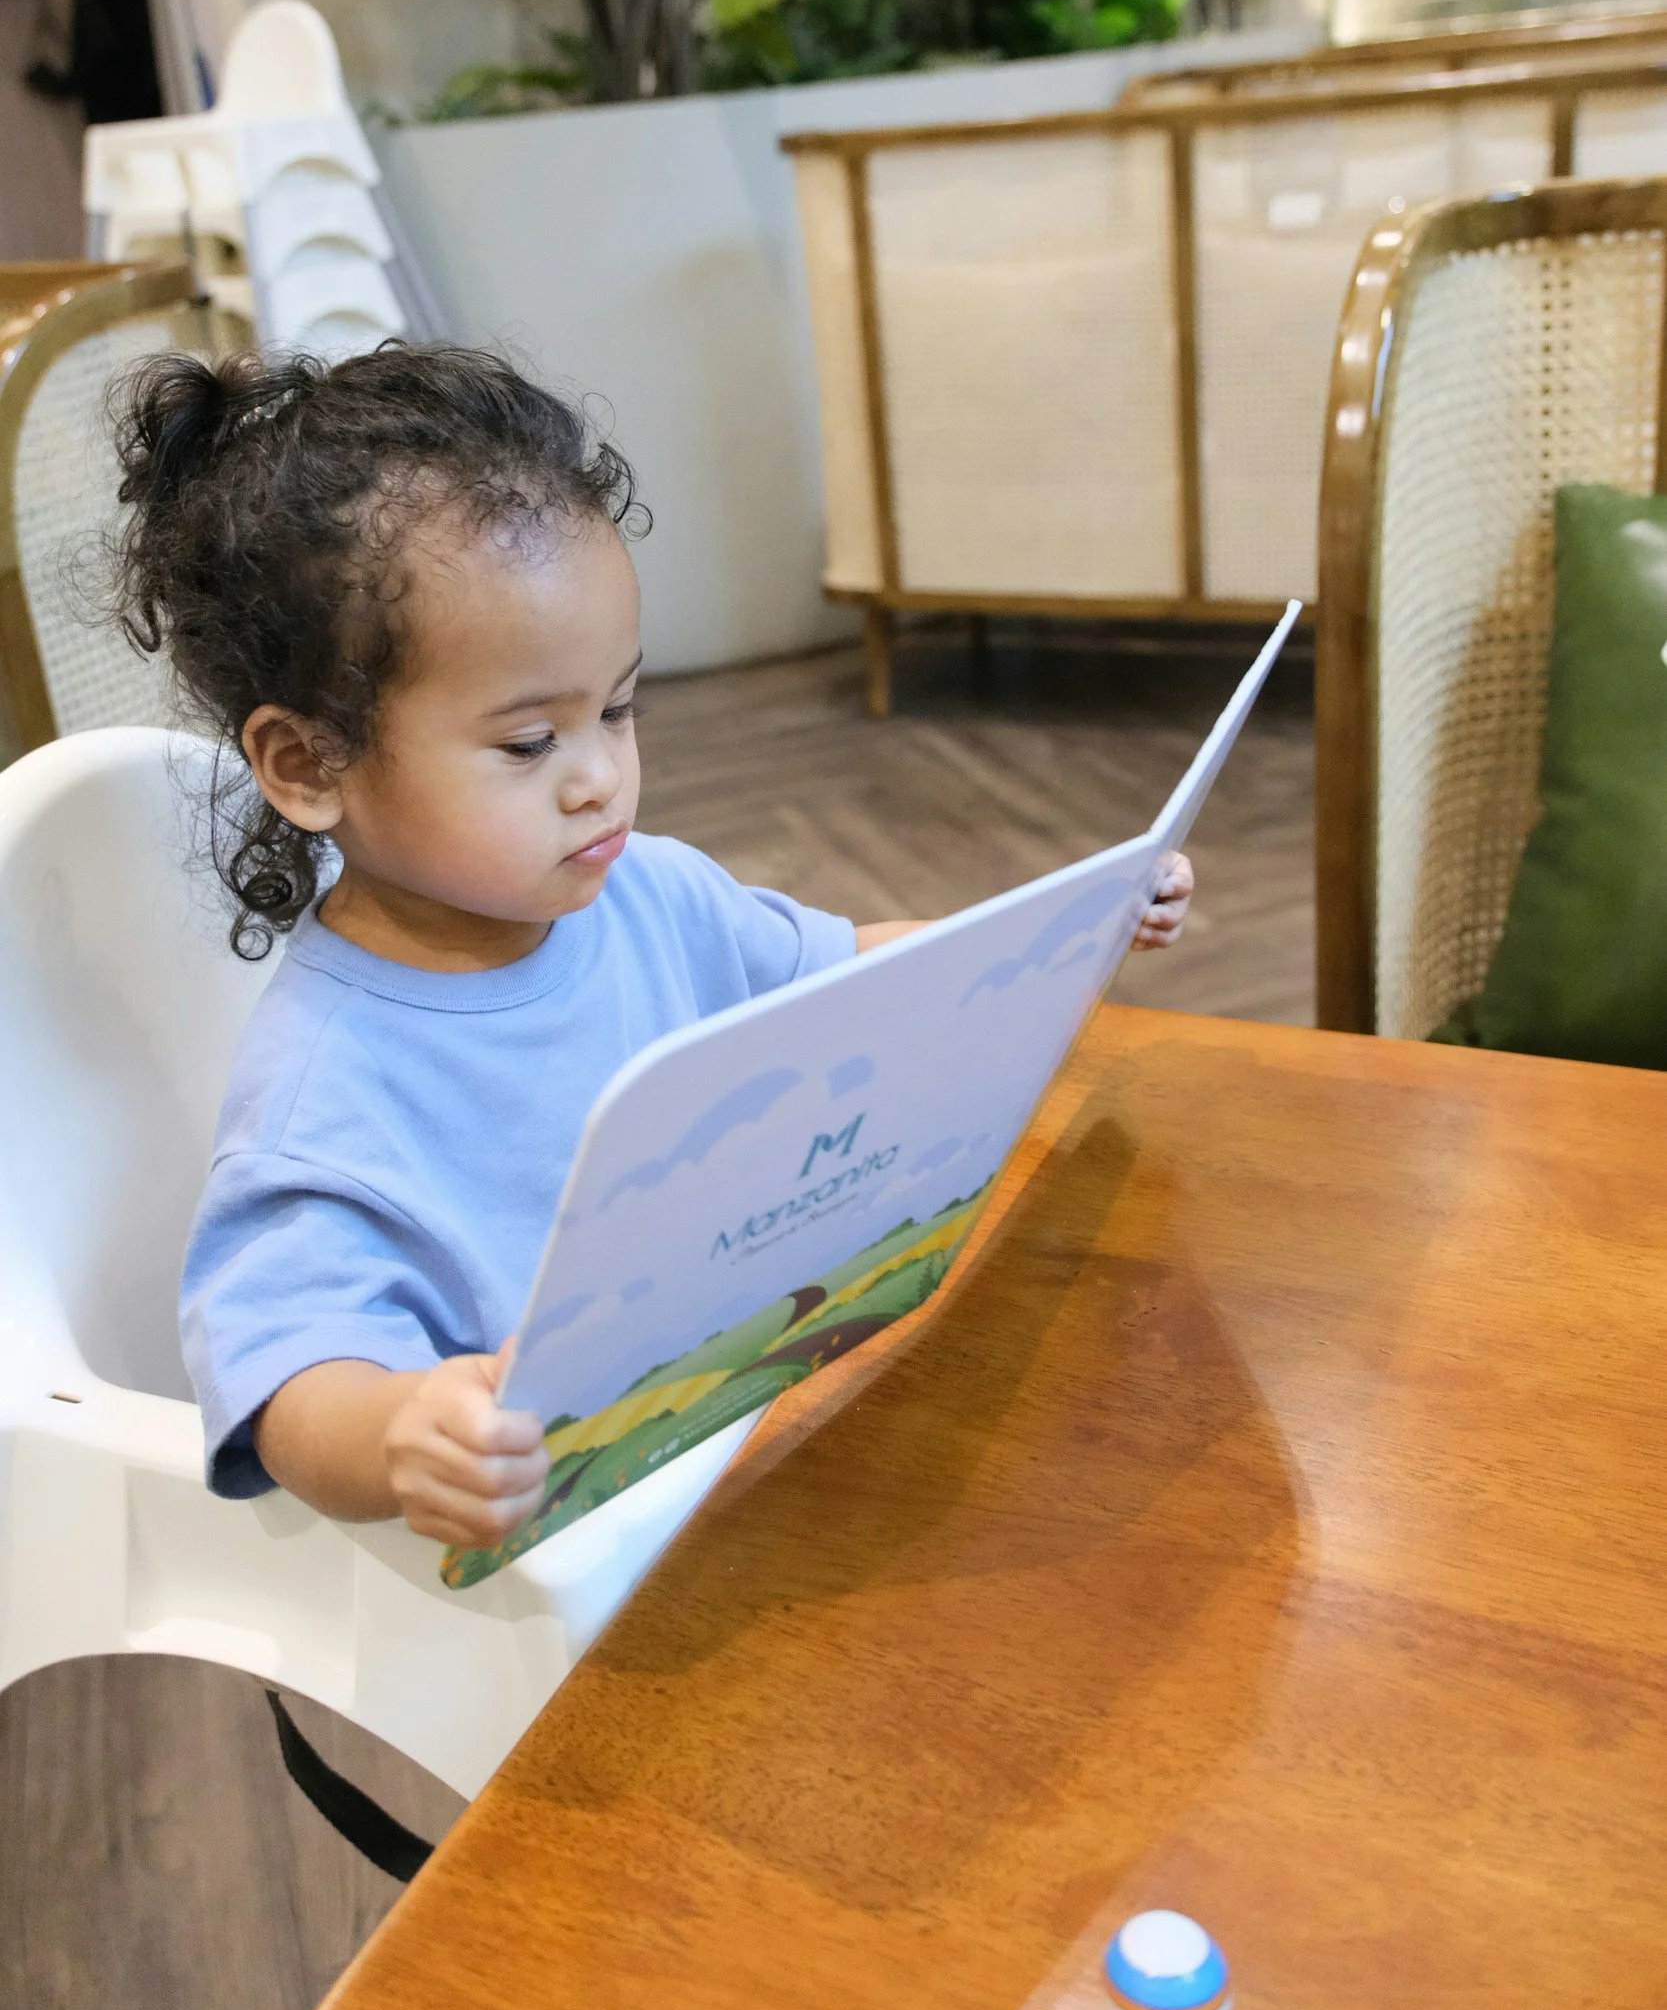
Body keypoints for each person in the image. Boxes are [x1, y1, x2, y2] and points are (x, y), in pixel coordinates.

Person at [110, 343, 1194, 1554]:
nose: (599, 779)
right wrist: (405, 1431)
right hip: (574, 1571)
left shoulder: (647, 891)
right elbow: (289, 1380)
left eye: (617, 709)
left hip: (761, 1447)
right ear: (308, 763)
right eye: (530, 743)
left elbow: (857, 977)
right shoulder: (326, 1096)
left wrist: (1062, 930)